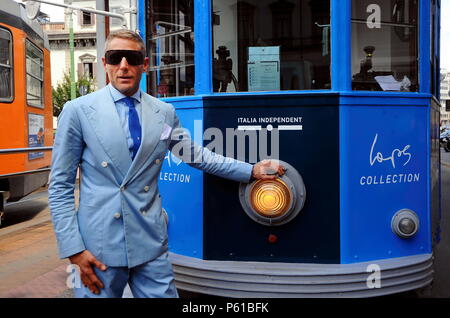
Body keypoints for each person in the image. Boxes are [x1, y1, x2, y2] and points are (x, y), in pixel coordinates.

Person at [48, 30, 284, 298]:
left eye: (132, 58)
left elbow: (196, 155)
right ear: (105, 63)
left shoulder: (163, 112)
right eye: (115, 58)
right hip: (98, 245)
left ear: (144, 65)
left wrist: (250, 171)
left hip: (149, 241)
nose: (123, 66)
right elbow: (60, 186)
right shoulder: (78, 110)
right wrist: (74, 250)